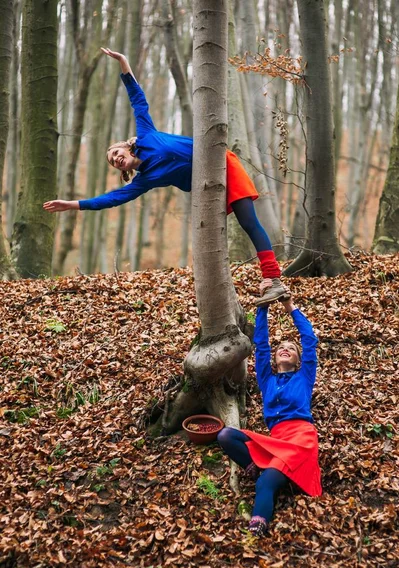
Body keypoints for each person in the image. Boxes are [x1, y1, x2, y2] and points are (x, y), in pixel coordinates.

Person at [43, 48, 288, 305]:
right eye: (113, 162)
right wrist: (72, 204)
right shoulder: (145, 178)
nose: (115, 159)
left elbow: (138, 100)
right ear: (122, 169)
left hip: (224, 165)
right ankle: (222, 296)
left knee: (248, 221)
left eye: (115, 153)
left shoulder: (146, 134)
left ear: (125, 147)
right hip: (207, 189)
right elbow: (112, 199)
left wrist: (124, 63)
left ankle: (273, 279)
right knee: (211, 238)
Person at [217, 284, 322, 537]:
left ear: (298, 360)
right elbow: (261, 345)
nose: (285, 349)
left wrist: (289, 306)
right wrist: (263, 305)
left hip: (300, 440)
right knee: (225, 436)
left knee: (265, 483)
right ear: (275, 359)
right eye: (280, 348)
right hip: (276, 439)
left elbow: (309, 339)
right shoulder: (267, 380)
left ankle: (257, 528)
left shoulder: (304, 377)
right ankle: (260, 468)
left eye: (291, 349)